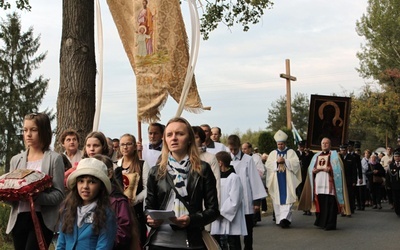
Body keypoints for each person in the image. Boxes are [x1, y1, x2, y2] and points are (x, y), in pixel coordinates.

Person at [145, 117, 219, 249]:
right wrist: (151, 220)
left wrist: (191, 220)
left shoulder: (203, 169)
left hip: (191, 242)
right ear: (165, 140)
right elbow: (149, 208)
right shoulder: (155, 172)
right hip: (159, 243)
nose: (174, 138)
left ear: (189, 138)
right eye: (169, 134)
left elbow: (213, 210)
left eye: (180, 134)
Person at [7, 113, 65, 250]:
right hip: (19, 219)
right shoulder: (16, 160)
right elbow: (11, 190)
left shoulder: (54, 159)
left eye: (33, 130)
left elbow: (59, 194)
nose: (28, 134)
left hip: (42, 220)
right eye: (25, 130)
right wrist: (7, 195)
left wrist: (37, 197)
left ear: (44, 131)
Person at [57, 158, 117, 249]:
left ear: (101, 186)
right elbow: (61, 244)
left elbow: (103, 246)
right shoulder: (67, 210)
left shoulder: (106, 214)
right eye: (81, 181)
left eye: (92, 182)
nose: (85, 186)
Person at [298, 137, 350, 231]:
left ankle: (330, 223)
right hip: (319, 183)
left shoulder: (335, 155)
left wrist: (330, 169)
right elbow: (310, 169)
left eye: (326, 143)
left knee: (330, 203)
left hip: (330, 184)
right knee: (320, 202)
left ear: (330, 145)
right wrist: (313, 170)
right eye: (323, 143)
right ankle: (321, 222)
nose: (324, 145)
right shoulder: (316, 156)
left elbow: (340, 169)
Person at [227, 134, 266, 250]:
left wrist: (256, 202)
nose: (233, 151)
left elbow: (255, 180)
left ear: (239, 146)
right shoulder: (227, 159)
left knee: (248, 231)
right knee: (233, 232)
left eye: (235, 149)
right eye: (231, 149)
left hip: (246, 200)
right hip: (232, 200)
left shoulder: (248, 159)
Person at [93, 154, 140, 250]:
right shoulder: (86, 199)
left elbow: (123, 232)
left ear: (109, 174)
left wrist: (101, 244)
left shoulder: (118, 201)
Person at [116, 133, 150, 247]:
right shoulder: (116, 165)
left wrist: (135, 200)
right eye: (122, 144)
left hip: (136, 210)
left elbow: (147, 187)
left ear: (135, 146)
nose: (125, 147)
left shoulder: (142, 164)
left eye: (128, 144)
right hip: (120, 210)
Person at [211, 151, 247, 250]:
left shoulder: (234, 178)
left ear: (220, 163)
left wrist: (221, 213)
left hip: (230, 219)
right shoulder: (215, 179)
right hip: (217, 218)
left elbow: (235, 200)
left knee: (233, 244)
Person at [266, 130, 301, 228]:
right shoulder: (273, 153)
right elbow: (268, 165)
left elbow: (296, 164)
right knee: (277, 199)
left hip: (288, 180)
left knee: (288, 200)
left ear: (285, 143)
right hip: (276, 181)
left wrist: (285, 160)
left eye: (281, 144)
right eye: (278, 144)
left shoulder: (291, 152)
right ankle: (279, 219)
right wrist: (276, 162)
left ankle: (285, 219)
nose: (280, 146)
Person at [192, 126, 221, 203]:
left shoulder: (210, 158)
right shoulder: (184, 157)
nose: (193, 140)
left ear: (201, 140)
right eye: (191, 137)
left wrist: (215, 208)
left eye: (196, 137)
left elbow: (216, 183)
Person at [241, 142, 266, 223]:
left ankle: (255, 218)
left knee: (255, 199)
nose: (243, 150)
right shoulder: (241, 158)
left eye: (245, 149)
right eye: (242, 149)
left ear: (250, 149)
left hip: (254, 181)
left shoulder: (256, 157)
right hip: (245, 182)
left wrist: (253, 171)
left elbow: (261, 170)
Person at [295, 140, 314, 215]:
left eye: (303, 146)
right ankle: (303, 207)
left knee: (307, 192)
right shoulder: (296, 153)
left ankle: (308, 208)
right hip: (299, 176)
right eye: (300, 147)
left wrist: (308, 153)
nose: (301, 148)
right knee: (300, 192)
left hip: (307, 175)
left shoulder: (310, 153)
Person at [338, 144, 358, 215]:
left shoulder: (351, 157)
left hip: (349, 179)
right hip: (340, 179)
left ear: (346, 150)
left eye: (344, 150)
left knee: (350, 195)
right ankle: (342, 209)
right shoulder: (338, 157)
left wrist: (354, 181)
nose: (343, 151)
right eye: (341, 150)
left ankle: (350, 209)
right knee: (341, 195)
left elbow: (354, 170)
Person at [386, 151, 400, 216]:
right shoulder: (391, 165)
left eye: (398, 156)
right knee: (396, 199)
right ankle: (397, 211)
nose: (397, 158)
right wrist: (388, 185)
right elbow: (388, 176)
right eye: (395, 156)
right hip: (394, 185)